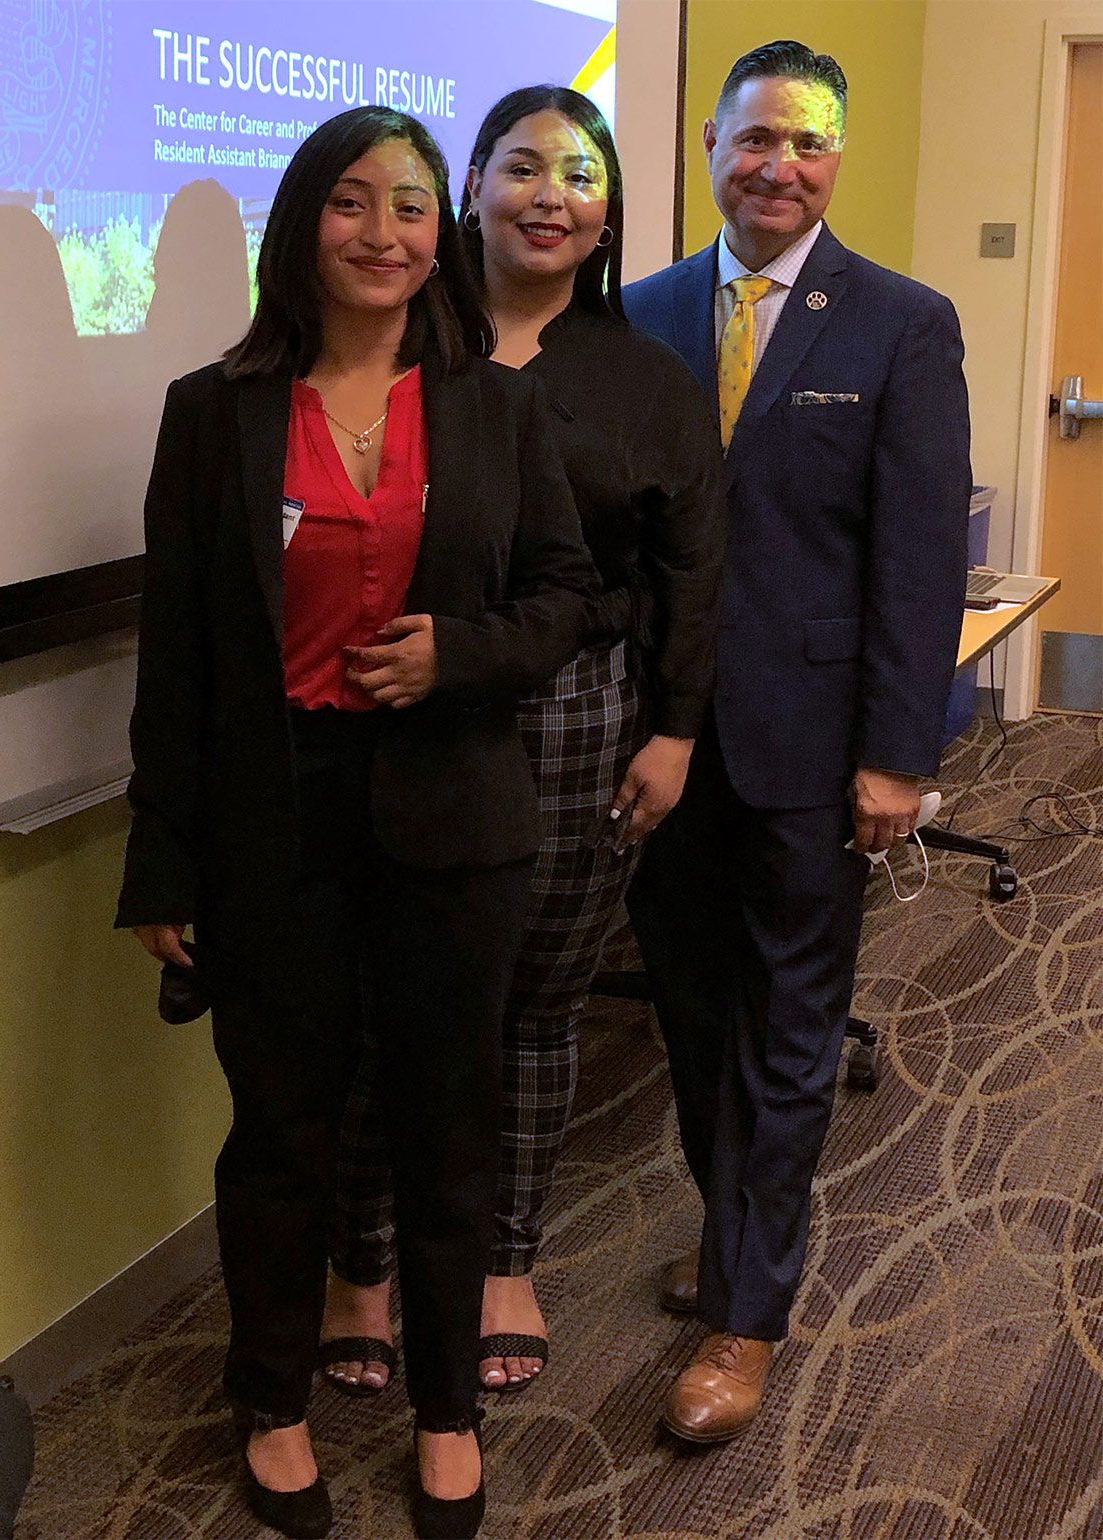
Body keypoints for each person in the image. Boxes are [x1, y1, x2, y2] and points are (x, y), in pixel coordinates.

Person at [116, 105, 599, 1540]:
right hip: (276, 825)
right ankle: (270, 1404)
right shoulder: (214, 412)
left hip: (454, 820)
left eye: (406, 204)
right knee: (280, 1136)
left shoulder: (495, 402)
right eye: (349, 201)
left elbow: (572, 599)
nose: (380, 233)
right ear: (302, 224)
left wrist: (464, 652)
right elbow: (178, 655)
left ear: (433, 230)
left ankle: (445, 1411)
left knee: (448, 1133)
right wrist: (161, 852)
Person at [319, 86, 725, 1398]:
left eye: (581, 171)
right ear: (471, 192)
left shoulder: (647, 378)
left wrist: (672, 730)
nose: (550, 192)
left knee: (536, 1011)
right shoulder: (386, 338)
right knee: (388, 1005)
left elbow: (690, 570)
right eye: (519, 165)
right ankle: (361, 1265)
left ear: (606, 210)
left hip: (578, 719)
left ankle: (504, 1259)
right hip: (402, 709)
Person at [622, 40, 971, 1443]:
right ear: (709, 142)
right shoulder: (636, 314)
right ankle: (737, 1245)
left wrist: (898, 752)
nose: (778, 165)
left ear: (837, 160)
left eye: (808, 143)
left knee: (789, 1031)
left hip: (815, 749)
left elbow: (915, 557)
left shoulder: (899, 321)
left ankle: (746, 1319)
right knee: (695, 1019)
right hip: (659, 751)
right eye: (756, 137)